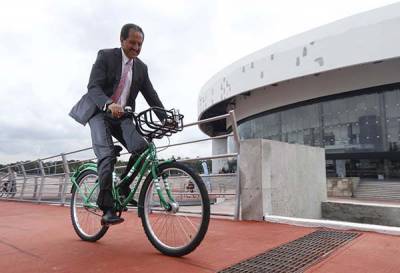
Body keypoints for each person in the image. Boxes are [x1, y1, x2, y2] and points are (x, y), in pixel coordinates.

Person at [69, 23, 167, 225]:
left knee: (141, 148)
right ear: (122, 40)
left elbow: (151, 95)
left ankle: (123, 187)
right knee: (106, 155)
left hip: (122, 116)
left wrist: (166, 118)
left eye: (140, 44)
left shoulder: (141, 68)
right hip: (99, 112)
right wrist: (108, 103)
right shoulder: (105, 56)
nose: (136, 48)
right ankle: (106, 208)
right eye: (132, 42)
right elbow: (93, 87)